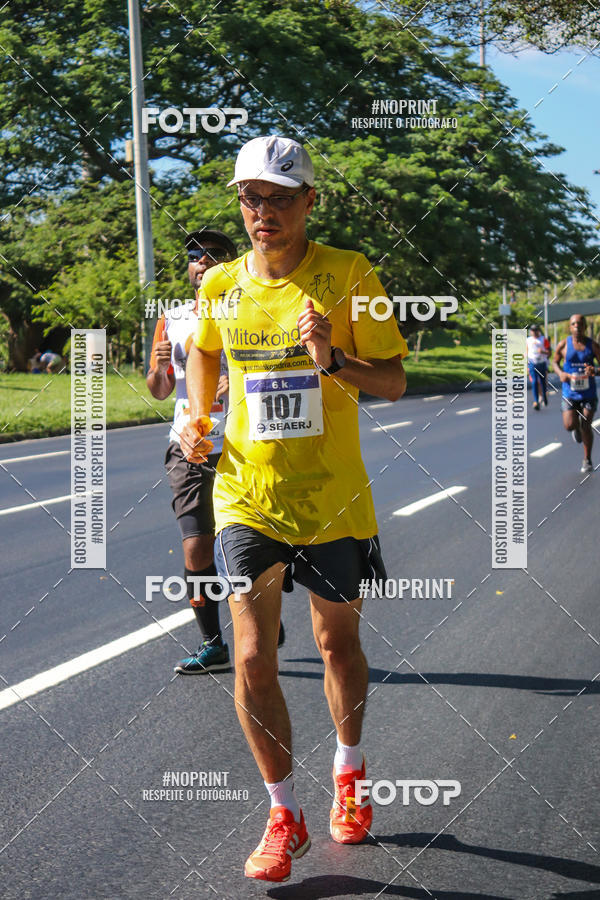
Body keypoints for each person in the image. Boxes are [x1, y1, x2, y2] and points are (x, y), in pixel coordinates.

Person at [180, 135, 408, 882]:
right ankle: (284, 815)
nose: (264, 213)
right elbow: (203, 352)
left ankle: (349, 769)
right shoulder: (221, 285)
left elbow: (394, 383)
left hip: (332, 499)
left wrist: (332, 358)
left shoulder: (350, 272)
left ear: (310, 201)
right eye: (252, 198)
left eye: (280, 198)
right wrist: (197, 415)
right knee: (252, 655)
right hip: (246, 494)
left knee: (337, 646)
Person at [147, 229, 237, 674]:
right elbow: (159, 389)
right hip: (191, 447)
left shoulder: (249, 312)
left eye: (212, 254)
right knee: (197, 548)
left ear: (230, 264)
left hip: (243, 443)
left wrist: (236, 379)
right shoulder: (172, 318)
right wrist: (162, 366)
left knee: (251, 544)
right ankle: (212, 643)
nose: (201, 261)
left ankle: (259, 610)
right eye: (194, 254)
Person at [552, 314, 600, 474]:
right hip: (570, 392)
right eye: (574, 324)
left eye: (580, 324)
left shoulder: (593, 345)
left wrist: (595, 370)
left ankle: (587, 460)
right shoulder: (563, 344)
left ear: (585, 326)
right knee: (569, 425)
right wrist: (560, 373)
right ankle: (576, 428)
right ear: (570, 327)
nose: (577, 326)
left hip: (588, 393)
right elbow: (554, 362)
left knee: (586, 424)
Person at [527, 324, 548, 410]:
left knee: (543, 382)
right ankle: (536, 401)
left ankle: (544, 396)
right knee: (534, 382)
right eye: (533, 330)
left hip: (542, 363)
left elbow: (549, 352)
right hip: (532, 363)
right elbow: (526, 351)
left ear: (538, 331)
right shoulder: (528, 340)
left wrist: (543, 351)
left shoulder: (543, 339)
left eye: (536, 330)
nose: (534, 332)